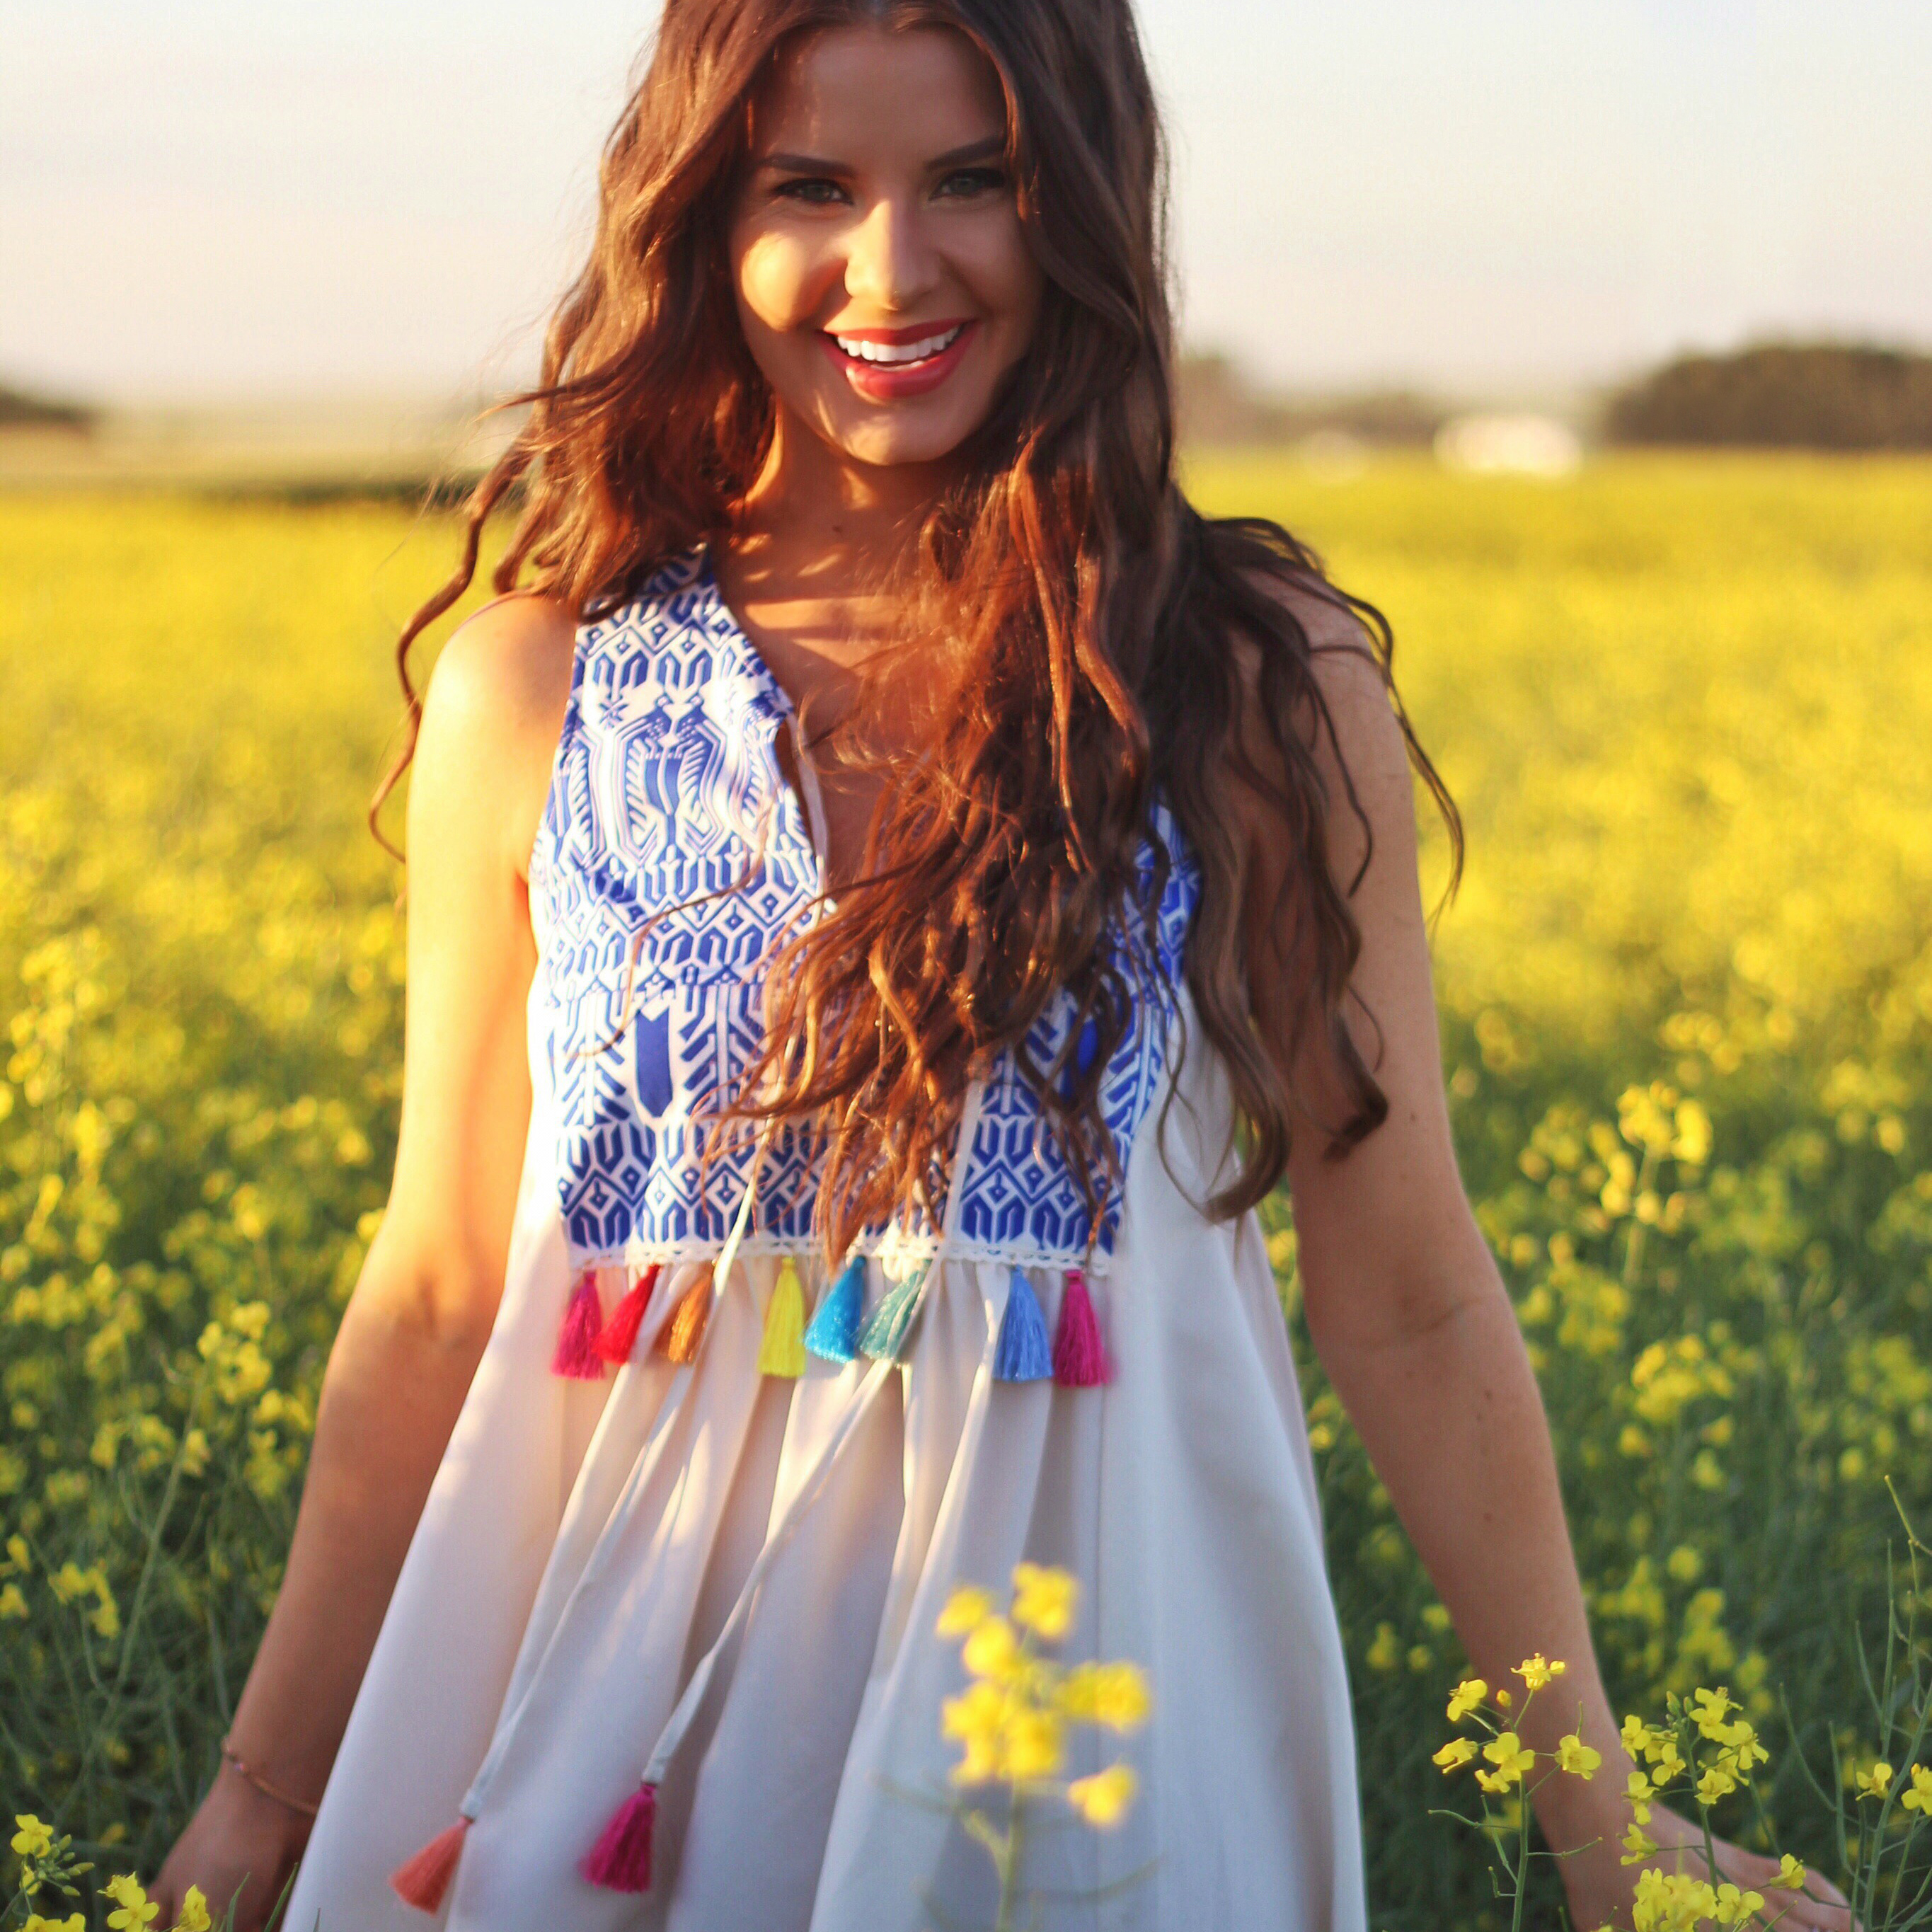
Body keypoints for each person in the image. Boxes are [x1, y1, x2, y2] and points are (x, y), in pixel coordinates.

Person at [155, 3, 1854, 1928]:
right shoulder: (539, 688)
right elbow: (444, 1284)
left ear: (1085, 212)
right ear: (705, 219)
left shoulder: (1242, 681)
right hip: (588, 1748)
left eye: (976, 179)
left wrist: (1597, 1825)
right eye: (811, 185)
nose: (892, 266)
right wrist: (264, 1793)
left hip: (1101, 1743)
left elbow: (1404, 1293)